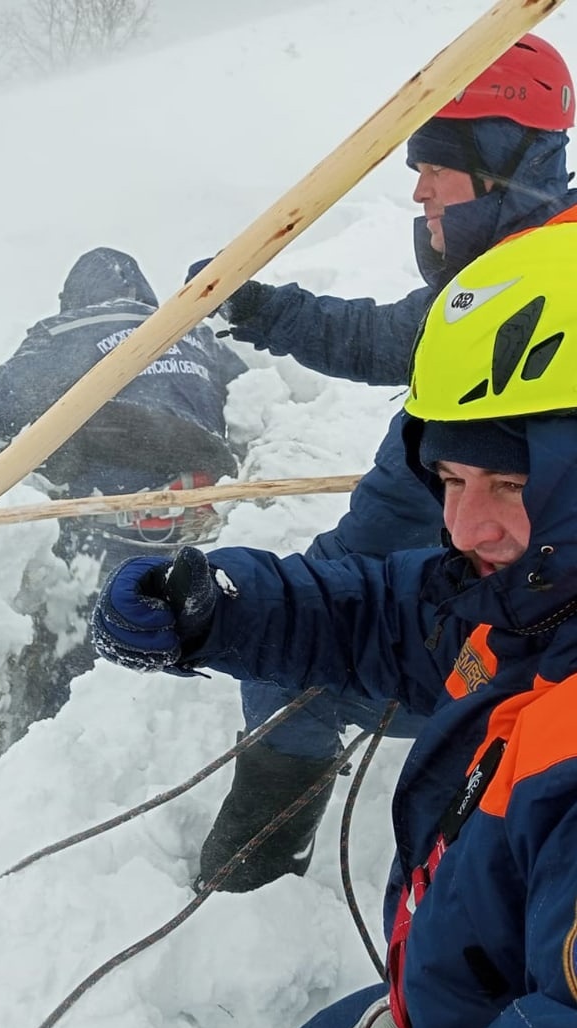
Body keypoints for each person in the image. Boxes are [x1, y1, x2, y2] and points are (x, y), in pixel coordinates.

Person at [93, 216, 577, 1028]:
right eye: (453, 481)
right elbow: (394, 616)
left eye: (510, 482)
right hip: (457, 991)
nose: (463, 525)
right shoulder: (534, 597)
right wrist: (222, 609)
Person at [184, 32, 577, 893]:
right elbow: (384, 338)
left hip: (500, 617)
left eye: (438, 163)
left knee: (299, 670)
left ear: (506, 165)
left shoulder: (549, 289)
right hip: (426, 582)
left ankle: (255, 872)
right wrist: (263, 308)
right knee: (305, 640)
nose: (420, 187)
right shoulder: (498, 277)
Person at [0, 246, 245, 731]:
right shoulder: (195, 332)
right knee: (181, 640)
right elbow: (254, 406)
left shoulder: (68, 333)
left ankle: (56, 732)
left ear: (76, 298)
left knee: (86, 651)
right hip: (202, 522)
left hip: (109, 526)